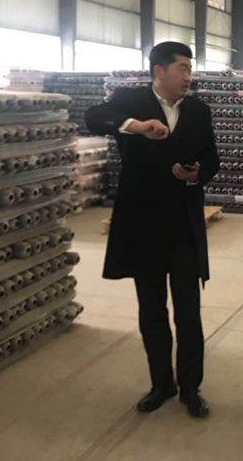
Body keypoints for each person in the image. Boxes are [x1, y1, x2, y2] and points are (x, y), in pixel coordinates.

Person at [85, 41, 219, 419]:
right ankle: (161, 383)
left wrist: (196, 175)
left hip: (183, 226)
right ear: (159, 71)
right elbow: (93, 117)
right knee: (152, 311)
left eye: (190, 69)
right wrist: (137, 127)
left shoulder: (198, 110)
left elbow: (212, 157)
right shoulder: (131, 101)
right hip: (144, 225)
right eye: (182, 68)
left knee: (188, 313)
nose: (188, 76)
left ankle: (190, 388)